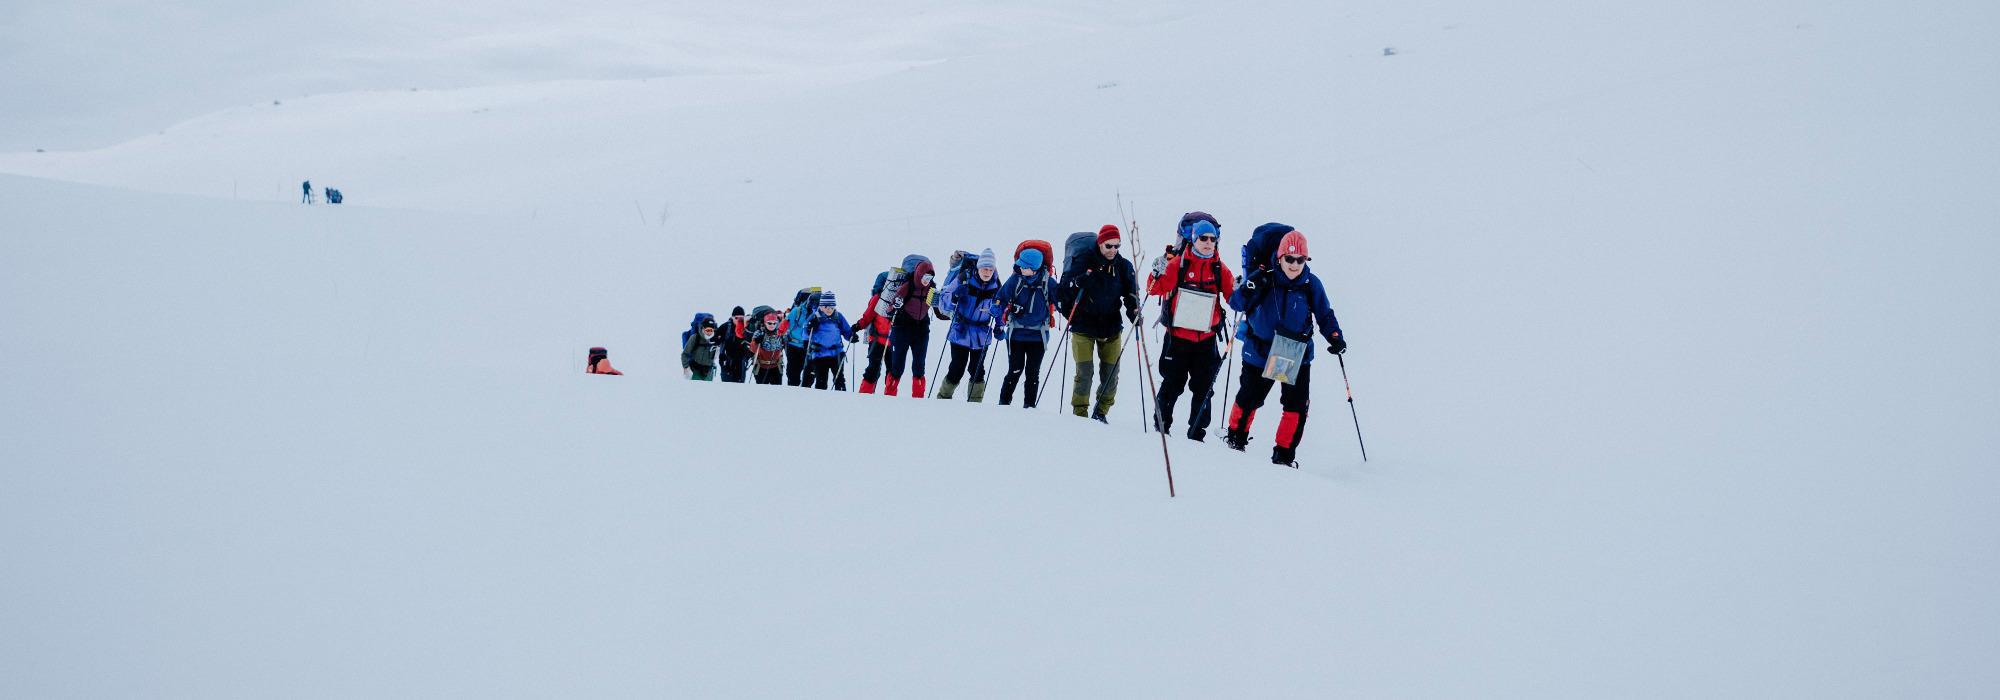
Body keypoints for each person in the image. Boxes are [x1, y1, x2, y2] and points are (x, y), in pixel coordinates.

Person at [1224, 225, 1347, 466]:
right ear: (1279, 257)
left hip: (1294, 351)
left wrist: (1334, 336)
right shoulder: (1263, 278)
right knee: (1249, 399)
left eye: (1300, 259)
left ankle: (1284, 456)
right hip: (1260, 350)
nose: (1294, 264)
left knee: (1296, 407)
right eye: (1289, 258)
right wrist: (1247, 286)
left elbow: (1324, 314)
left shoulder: (1311, 284)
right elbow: (1236, 304)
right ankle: (1235, 439)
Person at [1147, 215, 1235, 441]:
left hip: (1206, 340)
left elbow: (1234, 299)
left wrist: (1243, 291)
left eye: (1212, 239)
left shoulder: (1219, 268)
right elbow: (1154, 289)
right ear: (1193, 239)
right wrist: (1155, 272)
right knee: (1172, 384)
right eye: (1203, 238)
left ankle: (1197, 434)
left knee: (1204, 388)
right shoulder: (1178, 264)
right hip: (1177, 338)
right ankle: (1161, 428)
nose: (1208, 242)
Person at [1056, 224, 1140, 422]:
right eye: (1108, 246)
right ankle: (1080, 415)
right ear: (1100, 243)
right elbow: (1062, 290)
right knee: (1085, 373)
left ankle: (1100, 412)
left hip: (1111, 327)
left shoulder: (1123, 266)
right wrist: (1078, 281)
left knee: (1111, 376)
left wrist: (1134, 311)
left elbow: (1131, 293)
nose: (1113, 250)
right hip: (1083, 326)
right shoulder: (1084, 262)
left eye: (1117, 246)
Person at [936, 249, 1001, 401]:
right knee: (957, 367)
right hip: (961, 331)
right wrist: (953, 301)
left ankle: (975, 403)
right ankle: (943, 398)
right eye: (984, 268)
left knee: (977, 370)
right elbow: (945, 300)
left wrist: (999, 325)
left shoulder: (996, 284)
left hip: (981, 334)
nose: (987, 272)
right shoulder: (964, 278)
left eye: (990, 269)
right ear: (978, 268)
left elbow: (1001, 307)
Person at [995, 247, 1055, 407]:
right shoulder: (1015, 280)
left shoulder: (1048, 282)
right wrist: (997, 308)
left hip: (1038, 336)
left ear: (1034, 268)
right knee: (1015, 370)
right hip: (1016, 335)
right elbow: (1000, 297)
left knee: (1032, 373)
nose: (1020, 268)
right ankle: (1003, 403)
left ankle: (1029, 407)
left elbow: (1060, 298)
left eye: (1024, 266)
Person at [883, 258, 938, 397]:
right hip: (902, 328)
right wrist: (896, 305)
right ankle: (889, 397)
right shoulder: (907, 286)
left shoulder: (931, 288)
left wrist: (951, 313)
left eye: (930, 277)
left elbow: (938, 311)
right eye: (925, 276)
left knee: (919, 367)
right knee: (897, 366)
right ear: (919, 274)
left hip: (922, 330)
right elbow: (890, 307)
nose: (927, 280)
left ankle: (918, 400)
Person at [803, 292, 858, 390]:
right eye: (826, 307)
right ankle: (821, 400)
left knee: (839, 380)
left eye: (832, 307)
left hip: (836, 353)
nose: (829, 310)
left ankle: (840, 399)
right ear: (821, 306)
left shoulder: (838, 316)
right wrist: (809, 327)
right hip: (819, 354)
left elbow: (846, 330)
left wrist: (851, 336)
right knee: (821, 381)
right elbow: (806, 334)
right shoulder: (814, 317)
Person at [782, 288, 820, 386]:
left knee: (809, 376)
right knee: (793, 374)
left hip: (810, 347)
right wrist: (779, 333)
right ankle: (793, 394)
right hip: (793, 345)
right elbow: (785, 324)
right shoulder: (797, 311)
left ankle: (805, 394)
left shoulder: (820, 314)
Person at [749, 307, 788, 385]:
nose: (772, 325)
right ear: (765, 322)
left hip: (776, 367)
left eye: (774, 323)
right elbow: (753, 350)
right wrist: (756, 342)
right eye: (769, 323)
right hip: (761, 367)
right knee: (763, 391)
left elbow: (786, 347)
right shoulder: (759, 333)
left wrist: (785, 341)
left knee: (777, 391)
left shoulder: (780, 333)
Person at [718, 306, 754, 383]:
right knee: (726, 387)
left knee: (739, 388)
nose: (739, 320)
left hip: (741, 363)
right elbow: (713, 339)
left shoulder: (747, 328)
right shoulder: (725, 327)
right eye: (737, 318)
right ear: (732, 317)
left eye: (741, 318)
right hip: (726, 361)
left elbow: (752, 343)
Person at [681, 314, 720, 380]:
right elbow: (685, 354)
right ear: (703, 329)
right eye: (707, 330)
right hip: (694, 371)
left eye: (711, 330)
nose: (709, 333)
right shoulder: (695, 338)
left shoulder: (715, 340)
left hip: (708, 372)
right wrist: (686, 368)